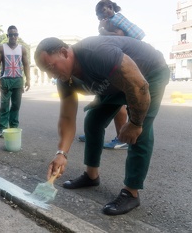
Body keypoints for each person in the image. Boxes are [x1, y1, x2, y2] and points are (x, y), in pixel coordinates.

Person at [34, 36, 169, 215]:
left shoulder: (97, 53)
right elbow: (67, 117)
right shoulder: (64, 80)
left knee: (140, 131)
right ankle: (91, 176)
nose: (51, 75)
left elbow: (137, 84)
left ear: (65, 53)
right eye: (46, 72)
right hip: (117, 84)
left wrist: (135, 123)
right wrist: (61, 153)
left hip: (149, 74)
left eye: (51, 67)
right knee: (93, 120)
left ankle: (131, 192)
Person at [79, 0, 146, 150]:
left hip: (124, 63)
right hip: (119, 62)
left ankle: (121, 138)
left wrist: (103, 32)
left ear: (111, 8)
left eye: (106, 9)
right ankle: (93, 131)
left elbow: (120, 36)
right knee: (104, 97)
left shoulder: (113, 21)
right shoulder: (108, 21)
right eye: (100, 12)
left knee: (116, 101)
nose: (104, 13)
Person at [0, 25, 30, 137]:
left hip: (18, 80)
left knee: (16, 106)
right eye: (11, 34)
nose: (13, 36)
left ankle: (14, 127)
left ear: (18, 35)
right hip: (5, 80)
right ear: (7, 35)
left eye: (16, 34)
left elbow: (26, 64)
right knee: (4, 106)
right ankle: (3, 128)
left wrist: (28, 80)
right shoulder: (2, 48)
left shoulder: (22, 49)